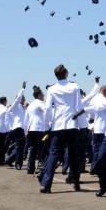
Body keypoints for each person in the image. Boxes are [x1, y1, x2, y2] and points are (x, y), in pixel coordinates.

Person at [39, 64, 83, 193]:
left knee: (53, 154)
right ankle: (76, 181)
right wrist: (84, 126)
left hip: (57, 125)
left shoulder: (52, 89)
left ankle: (46, 184)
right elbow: (79, 107)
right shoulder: (75, 86)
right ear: (66, 74)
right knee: (74, 155)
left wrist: (47, 126)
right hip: (72, 124)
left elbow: (47, 109)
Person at [4, 82, 27, 170]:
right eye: (22, 98)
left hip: (22, 129)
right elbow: (17, 99)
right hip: (17, 128)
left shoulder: (23, 108)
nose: (23, 100)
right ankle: (18, 164)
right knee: (19, 147)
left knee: (19, 147)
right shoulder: (15, 106)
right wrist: (22, 90)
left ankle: (9, 160)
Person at [26, 85, 46, 175]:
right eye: (42, 95)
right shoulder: (40, 103)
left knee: (33, 149)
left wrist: (26, 130)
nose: (44, 96)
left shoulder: (30, 105)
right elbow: (47, 111)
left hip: (31, 129)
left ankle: (30, 168)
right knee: (42, 149)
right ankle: (42, 168)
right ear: (39, 95)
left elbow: (26, 118)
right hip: (39, 129)